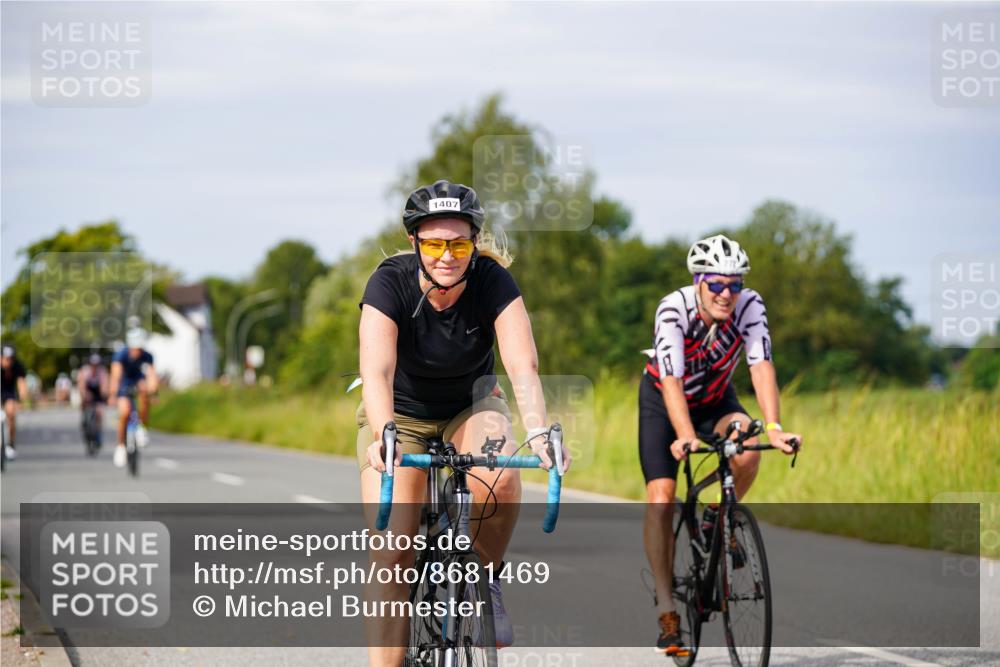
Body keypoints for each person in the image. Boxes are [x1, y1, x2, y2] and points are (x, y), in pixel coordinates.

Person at [357, 180, 571, 665]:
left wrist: (538, 432)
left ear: (474, 242)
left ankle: (486, 577)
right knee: (393, 554)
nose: (447, 255)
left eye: (459, 243)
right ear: (415, 242)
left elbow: (522, 365)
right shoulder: (388, 282)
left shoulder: (493, 281)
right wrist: (383, 434)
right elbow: (377, 371)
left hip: (471, 405)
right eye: (434, 244)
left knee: (502, 476)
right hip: (400, 412)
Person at [639, 234, 803, 654]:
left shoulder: (750, 306)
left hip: (715, 399)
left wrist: (773, 427)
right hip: (664, 400)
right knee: (662, 496)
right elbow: (671, 380)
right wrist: (687, 436)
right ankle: (666, 609)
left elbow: (761, 364)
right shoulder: (674, 309)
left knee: (745, 446)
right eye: (716, 284)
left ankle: (717, 517)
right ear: (699, 282)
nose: (727, 294)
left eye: (735, 284)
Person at [108, 328, 158, 467]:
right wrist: (113, 393)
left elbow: (152, 375)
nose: (138, 351)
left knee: (144, 391)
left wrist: (153, 392)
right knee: (124, 412)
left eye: (140, 348)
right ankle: (120, 446)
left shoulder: (147, 356)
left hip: (138, 380)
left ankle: (142, 427)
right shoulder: (121, 355)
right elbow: (115, 375)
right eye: (135, 348)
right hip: (124, 382)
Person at [1, 345, 29, 459]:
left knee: (11, 413)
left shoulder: (17, 366)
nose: (9, 361)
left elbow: (21, 383)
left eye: (11, 359)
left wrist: (21, 400)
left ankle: (10, 444)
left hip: (9, 392)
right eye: (6, 359)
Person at [77, 353, 109, 448]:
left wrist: (105, 395)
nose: (94, 367)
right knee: (84, 405)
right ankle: (84, 423)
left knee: (99, 412)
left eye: (96, 364)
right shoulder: (85, 371)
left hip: (98, 393)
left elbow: (105, 385)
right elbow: (81, 385)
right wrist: (84, 395)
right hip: (87, 391)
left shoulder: (102, 372)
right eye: (93, 364)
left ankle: (98, 433)